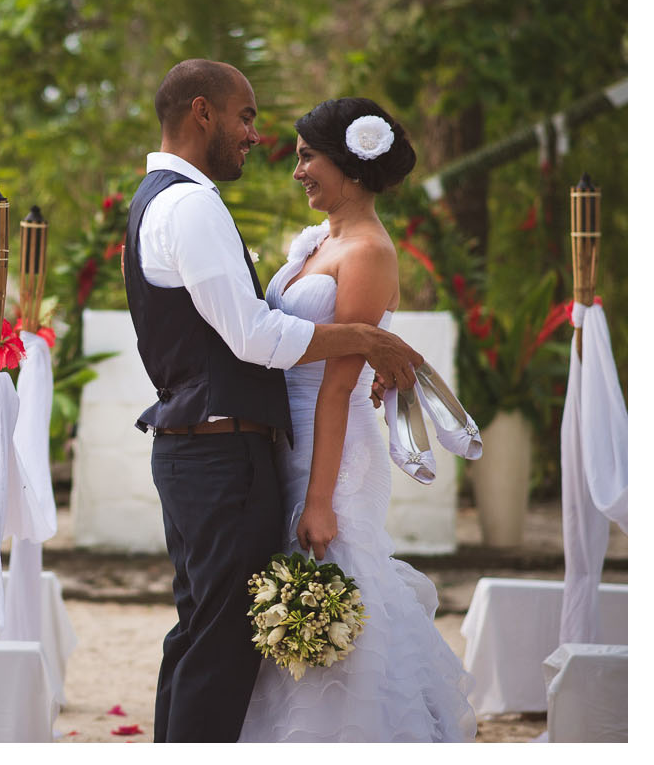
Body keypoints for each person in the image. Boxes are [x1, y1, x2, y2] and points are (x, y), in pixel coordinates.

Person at [123, 59, 426, 742]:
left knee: (210, 635)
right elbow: (255, 333)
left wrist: (371, 343)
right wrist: (368, 340)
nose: (255, 138)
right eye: (248, 116)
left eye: (305, 154)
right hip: (224, 451)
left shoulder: (164, 199)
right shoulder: (192, 204)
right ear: (203, 111)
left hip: (260, 448)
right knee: (218, 641)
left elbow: (316, 354)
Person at [237, 98, 474, 741]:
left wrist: (319, 499)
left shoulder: (367, 252)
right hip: (289, 438)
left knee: (333, 575)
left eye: (309, 157)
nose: (299, 172)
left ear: (352, 166)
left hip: (334, 450)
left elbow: (340, 385)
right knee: (289, 592)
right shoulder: (319, 240)